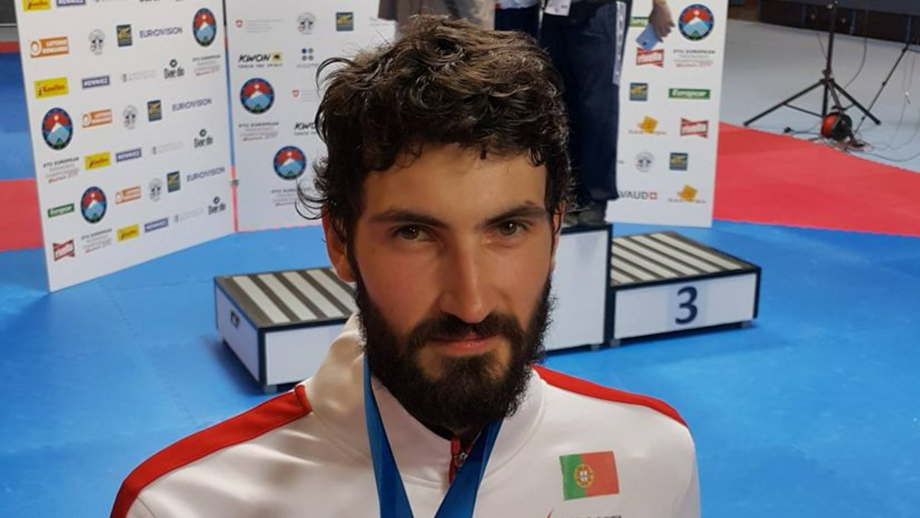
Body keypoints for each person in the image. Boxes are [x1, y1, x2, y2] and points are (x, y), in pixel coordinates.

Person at [110, 16, 698, 518]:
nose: (470, 303)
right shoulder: (182, 506)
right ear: (340, 241)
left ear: (555, 233)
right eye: (414, 234)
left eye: (508, 229)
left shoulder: (653, 458)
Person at [542, 0, 675, 226]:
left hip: (600, 11)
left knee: (597, 106)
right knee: (558, 103)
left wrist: (659, 5)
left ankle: (595, 197)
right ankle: (567, 191)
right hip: (556, 11)